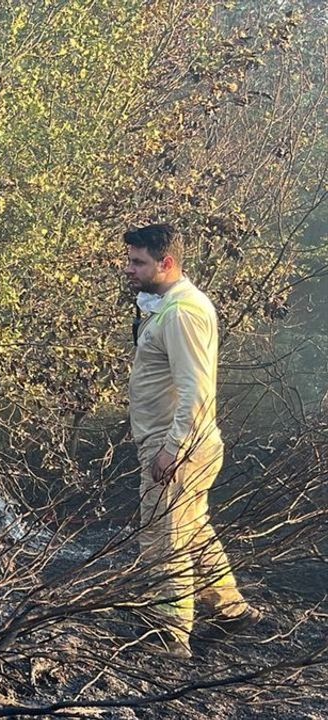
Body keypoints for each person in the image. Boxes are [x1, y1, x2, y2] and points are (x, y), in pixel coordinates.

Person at [124, 223, 261, 658]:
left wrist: (171, 449)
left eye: (138, 262)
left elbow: (196, 391)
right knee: (193, 530)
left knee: (163, 540)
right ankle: (231, 612)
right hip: (180, 443)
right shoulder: (168, 305)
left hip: (177, 446)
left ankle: (168, 637)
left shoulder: (182, 312)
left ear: (167, 263)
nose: (129, 269)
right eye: (129, 260)